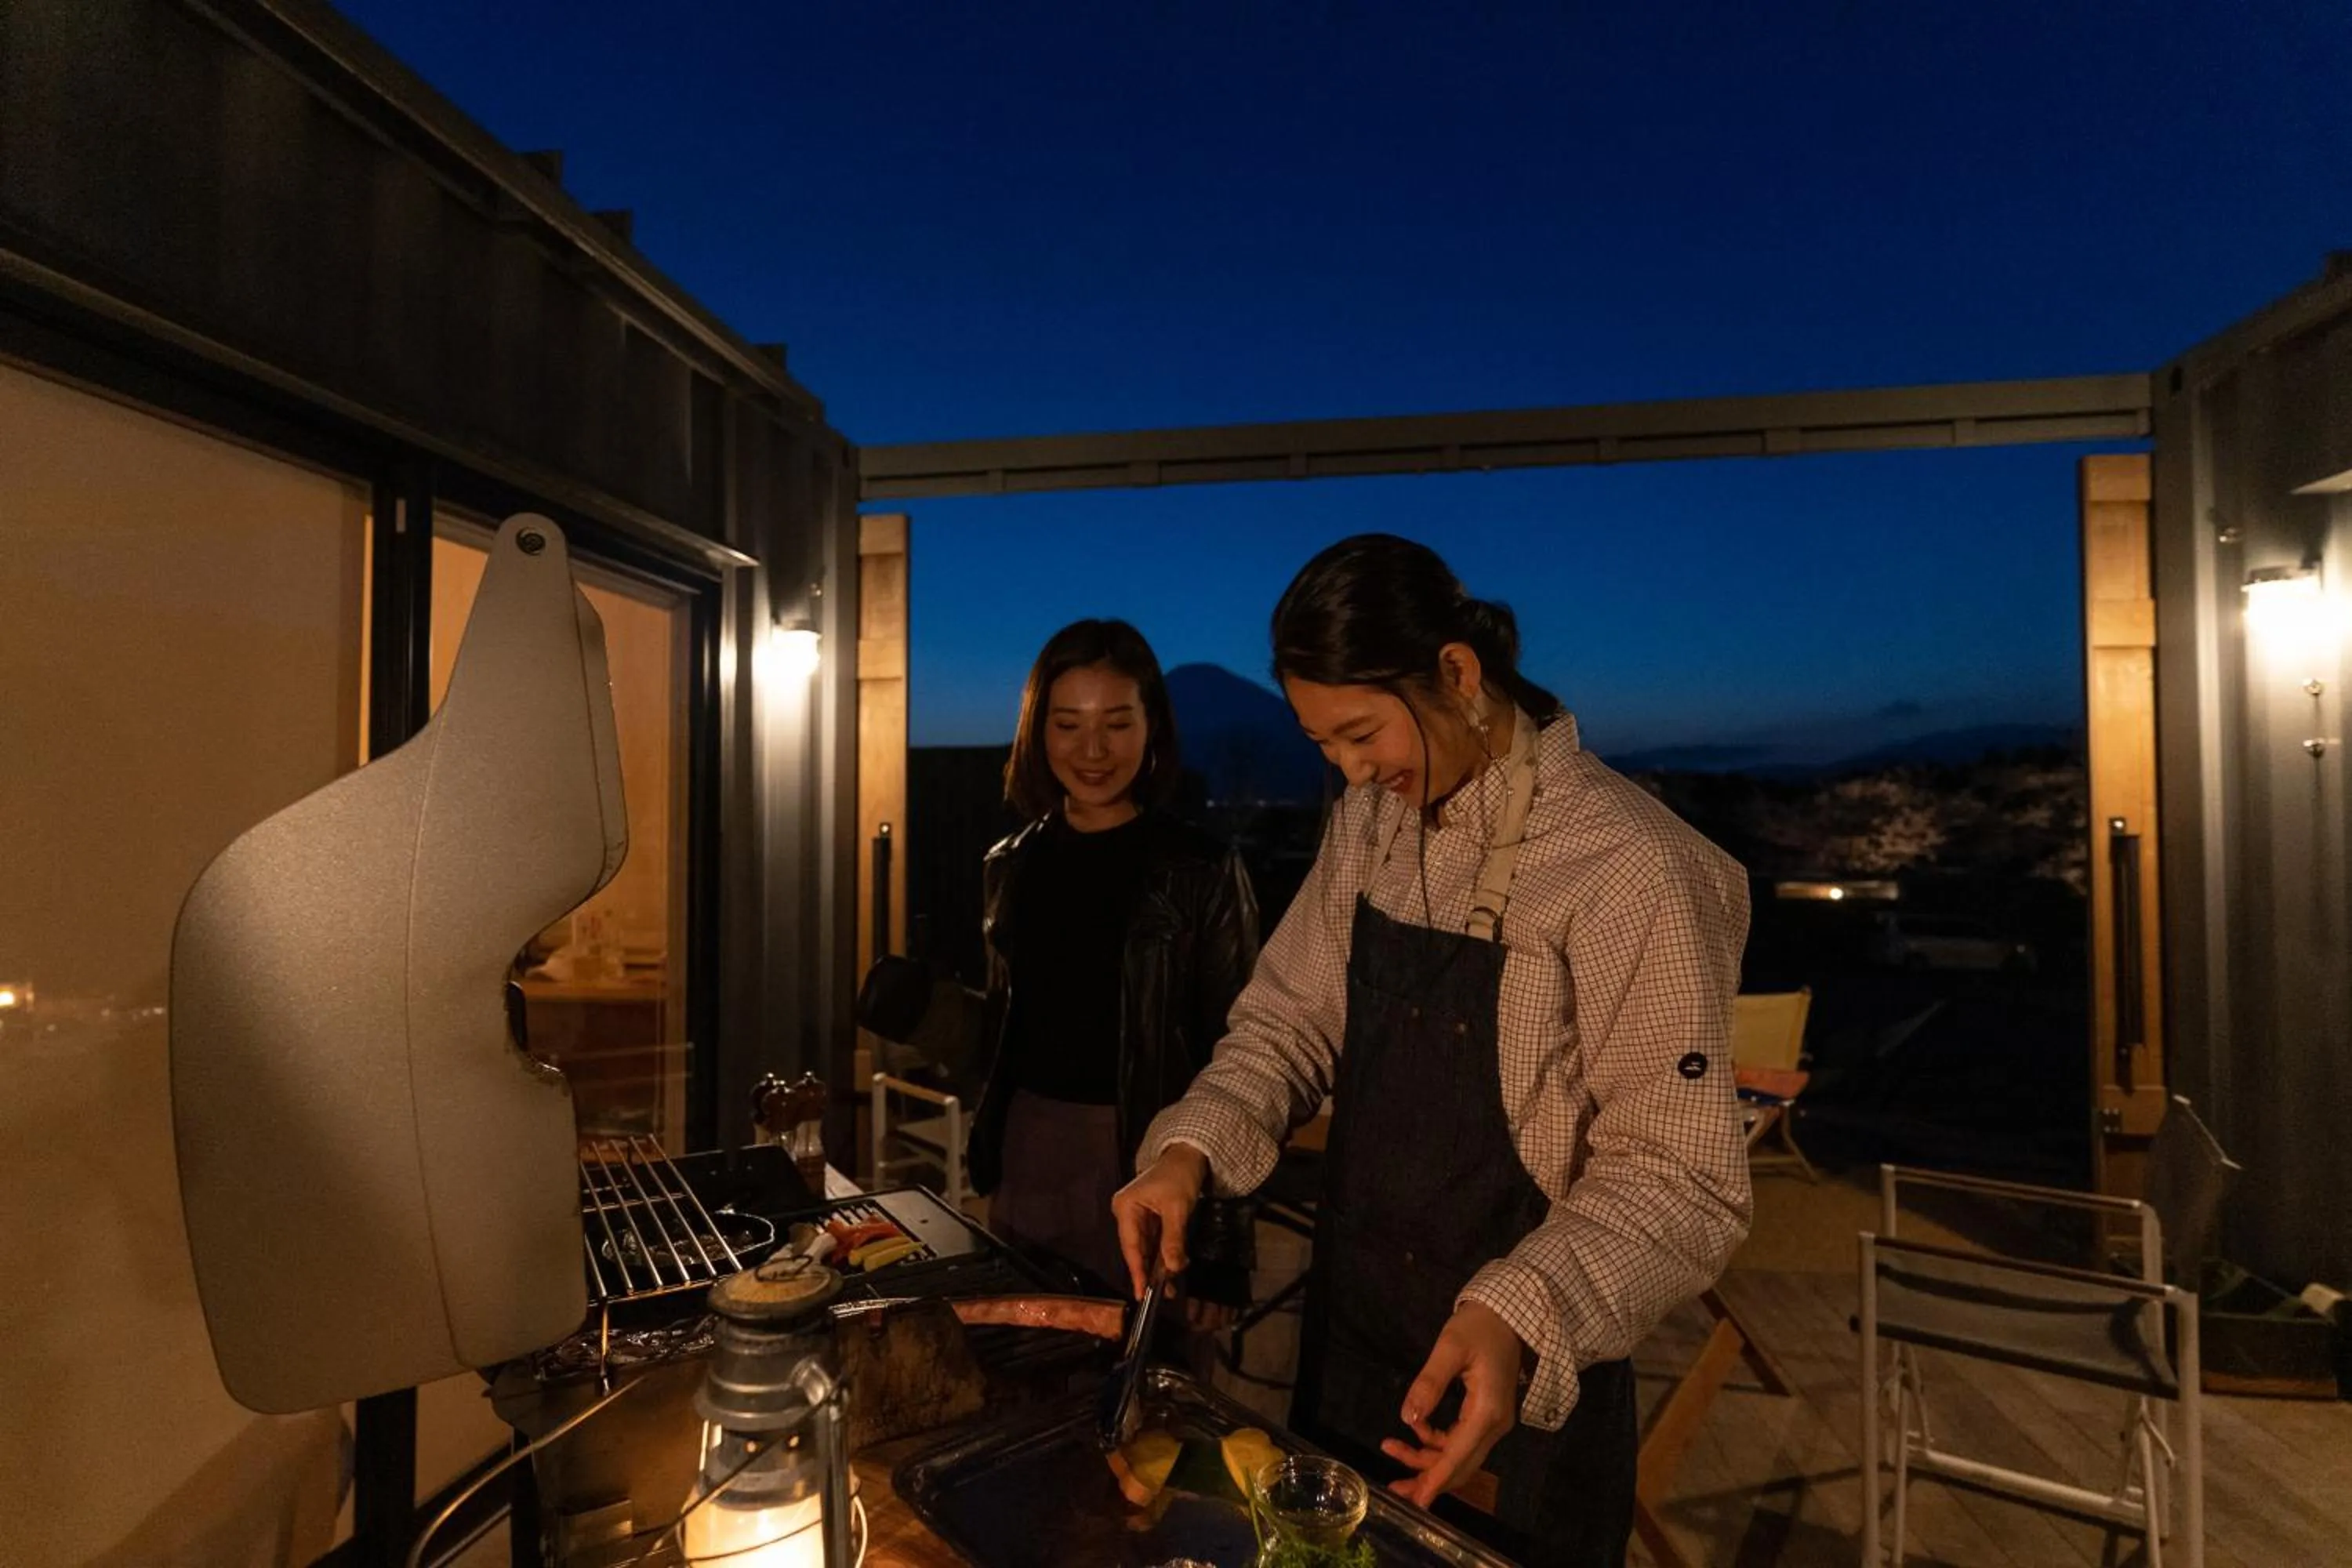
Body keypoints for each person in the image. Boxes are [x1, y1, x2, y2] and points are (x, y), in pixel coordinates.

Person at [1112, 536, 1752, 1567]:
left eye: (1362, 734)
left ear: (1457, 675)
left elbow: (1685, 1179)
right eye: (1326, 748)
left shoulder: (1634, 867)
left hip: (1519, 1377)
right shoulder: (1369, 828)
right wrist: (1190, 1147)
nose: (1355, 773)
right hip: (1355, 1331)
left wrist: (1521, 1310)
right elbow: (1287, 1023)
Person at [969, 618, 1262, 1330]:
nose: (1093, 750)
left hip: (1151, 1156)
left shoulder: (1200, 870)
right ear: (1038, 731)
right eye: (1068, 724)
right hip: (1029, 1152)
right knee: (1024, 1367)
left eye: (1117, 723)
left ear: (1152, 727)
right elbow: (1013, 1026)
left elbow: (1246, 1056)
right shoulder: (1010, 865)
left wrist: (1220, 1247)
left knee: (1146, 1391)